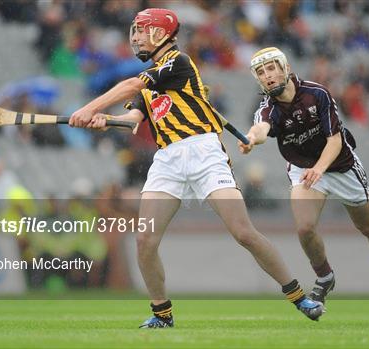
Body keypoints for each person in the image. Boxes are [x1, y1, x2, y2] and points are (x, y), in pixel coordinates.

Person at [69, 9, 324, 328]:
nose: (135, 37)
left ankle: (299, 296)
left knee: (244, 233)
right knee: (145, 240)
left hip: (203, 152)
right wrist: (104, 121)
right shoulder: (150, 84)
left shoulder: (178, 62)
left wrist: (89, 107)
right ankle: (162, 314)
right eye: (134, 31)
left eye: (142, 31)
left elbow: (134, 84)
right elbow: (133, 121)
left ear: (161, 34)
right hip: (167, 160)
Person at [239, 47, 369, 319]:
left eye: (270, 68)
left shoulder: (317, 93)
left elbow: (335, 140)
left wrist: (320, 168)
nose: (266, 76)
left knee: (368, 226)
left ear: (285, 68)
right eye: (260, 72)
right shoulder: (268, 109)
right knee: (304, 228)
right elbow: (261, 128)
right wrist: (251, 139)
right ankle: (324, 276)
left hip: (340, 166)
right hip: (304, 170)